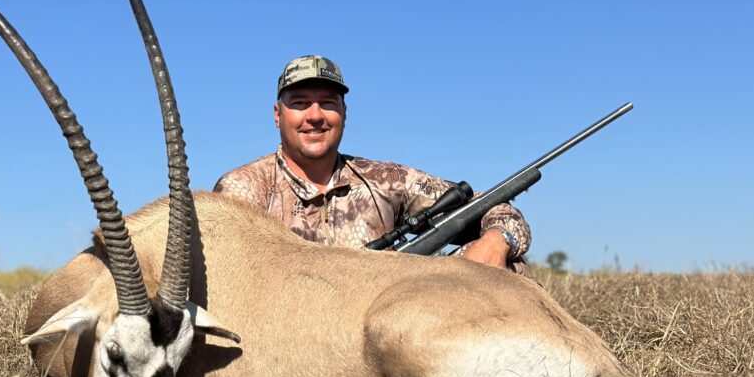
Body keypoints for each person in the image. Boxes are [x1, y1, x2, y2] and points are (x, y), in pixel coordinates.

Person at [213, 56, 533, 275]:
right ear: (277, 115)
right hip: (289, 338)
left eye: (328, 103)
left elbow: (498, 208)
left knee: (509, 267)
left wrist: (494, 242)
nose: (314, 115)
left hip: (383, 320)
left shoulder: (385, 179)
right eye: (300, 103)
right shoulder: (242, 189)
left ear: (344, 113)